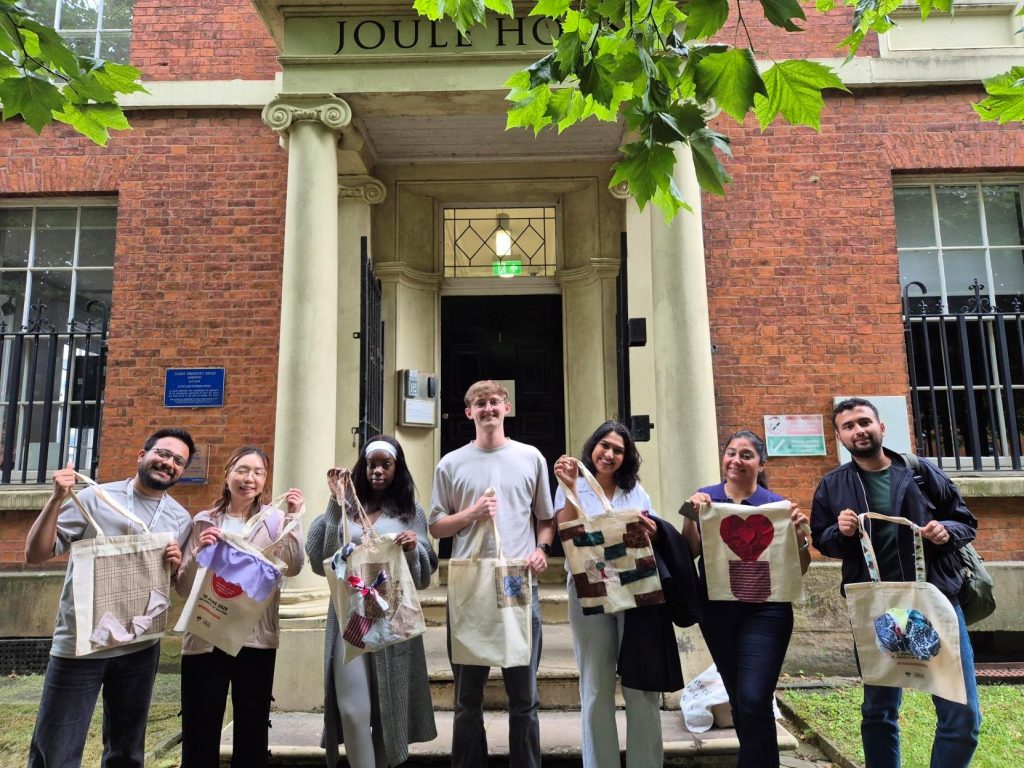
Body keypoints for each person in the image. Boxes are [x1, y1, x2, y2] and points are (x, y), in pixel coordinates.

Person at [810, 397, 981, 768]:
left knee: (963, 714)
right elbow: (821, 541)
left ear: (881, 427)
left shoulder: (919, 472)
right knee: (878, 710)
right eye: (849, 426)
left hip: (936, 602)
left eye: (864, 422)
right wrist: (841, 533)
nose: (859, 430)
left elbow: (965, 521)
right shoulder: (832, 486)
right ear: (839, 436)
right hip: (877, 610)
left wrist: (944, 531)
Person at [24, 428, 196, 768]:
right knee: (56, 751)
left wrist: (177, 565)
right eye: (162, 453)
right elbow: (35, 554)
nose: (168, 463)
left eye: (178, 461)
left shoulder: (180, 518)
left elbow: (174, 585)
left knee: (127, 753)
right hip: (81, 644)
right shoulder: (94, 498)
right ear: (141, 456)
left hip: (140, 648)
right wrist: (57, 498)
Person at [429, 380, 555, 768]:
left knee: (524, 695)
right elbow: (435, 527)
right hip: (469, 583)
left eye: (494, 402)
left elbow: (546, 520)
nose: (488, 409)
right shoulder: (450, 463)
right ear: (469, 413)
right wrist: (472, 515)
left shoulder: (530, 457)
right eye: (479, 404)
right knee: (468, 698)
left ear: (507, 407)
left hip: (516, 579)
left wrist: (541, 549)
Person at [306, 435, 438, 768]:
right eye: (371, 464)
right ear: (362, 468)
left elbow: (424, 575)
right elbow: (320, 560)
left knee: (387, 710)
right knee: (352, 709)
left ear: (397, 468)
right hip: (349, 616)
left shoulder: (410, 513)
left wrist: (412, 549)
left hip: (391, 615)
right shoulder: (344, 510)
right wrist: (337, 502)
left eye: (385, 464)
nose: (377, 471)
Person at [682, 430, 811, 768]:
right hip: (717, 611)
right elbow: (689, 553)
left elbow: (800, 568)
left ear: (760, 463)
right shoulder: (706, 498)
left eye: (746, 455)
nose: (736, 460)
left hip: (766, 613)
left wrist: (798, 537)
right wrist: (691, 517)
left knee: (754, 698)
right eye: (731, 453)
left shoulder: (776, 506)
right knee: (741, 700)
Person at [175, 446, 305, 768]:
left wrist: (292, 519)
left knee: (252, 728)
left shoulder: (275, 522)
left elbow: (295, 565)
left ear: (264, 480)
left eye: (258, 472)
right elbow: (182, 586)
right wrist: (197, 553)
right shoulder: (203, 522)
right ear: (228, 474)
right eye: (242, 470)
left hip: (255, 638)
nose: (249, 479)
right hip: (205, 638)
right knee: (200, 728)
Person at [553, 420, 665, 768]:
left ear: (627, 457)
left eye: (619, 449)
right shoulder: (572, 485)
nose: (610, 454)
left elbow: (654, 533)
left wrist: (653, 529)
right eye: (605, 446)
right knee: (596, 684)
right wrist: (570, 487)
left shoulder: (636, 491)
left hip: (634, 589)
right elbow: (565, 532)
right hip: (588, 589)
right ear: (593, 447)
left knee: (640, 683)